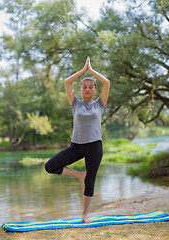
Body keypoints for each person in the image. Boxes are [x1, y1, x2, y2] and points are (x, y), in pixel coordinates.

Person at [45, 57, 110, 223]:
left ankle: (85, 214)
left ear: (95, 90)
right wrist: (83, 70)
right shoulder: (75, 104)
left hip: (95, 146)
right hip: (76, 146)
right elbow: (67, 82)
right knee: (50, 166)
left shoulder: (100, 104)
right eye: (84, 87)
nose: (87, 89)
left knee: (91, 181)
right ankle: (79, 175)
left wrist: (92, 71)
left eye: (90, 87)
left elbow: (107, 83)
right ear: (80, 89)